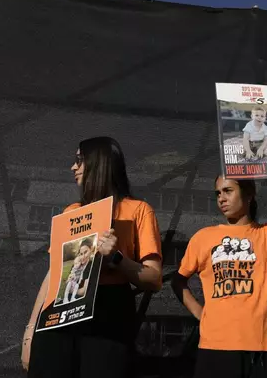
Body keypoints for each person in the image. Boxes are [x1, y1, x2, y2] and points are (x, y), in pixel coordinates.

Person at [171, 136, 267, 378]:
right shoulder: (203, 237)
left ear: (249, 194)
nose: (221, 198)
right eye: (217, 193)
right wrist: (200, 314)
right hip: (217, 347)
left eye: (228, 191)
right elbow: (178, 281)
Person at [21, 136, 163, 377]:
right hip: (61, 309)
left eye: (79, 160)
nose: (73, 167)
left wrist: (117, 258)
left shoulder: (138, 210)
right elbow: (54, 275)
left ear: (100, 164)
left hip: (109, 311)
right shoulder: (72, 212)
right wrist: (30, 332)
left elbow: (154, 278)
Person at [62, 239, 94, 304]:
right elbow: (68, 281)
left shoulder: (91, 265)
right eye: (81, 254)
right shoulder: (76, 265)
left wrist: (71, 290)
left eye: (85, 252)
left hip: (80, 299)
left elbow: (83, 291)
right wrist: (69, 279)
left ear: (91, 249)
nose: (83, 256)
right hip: (69, 297)